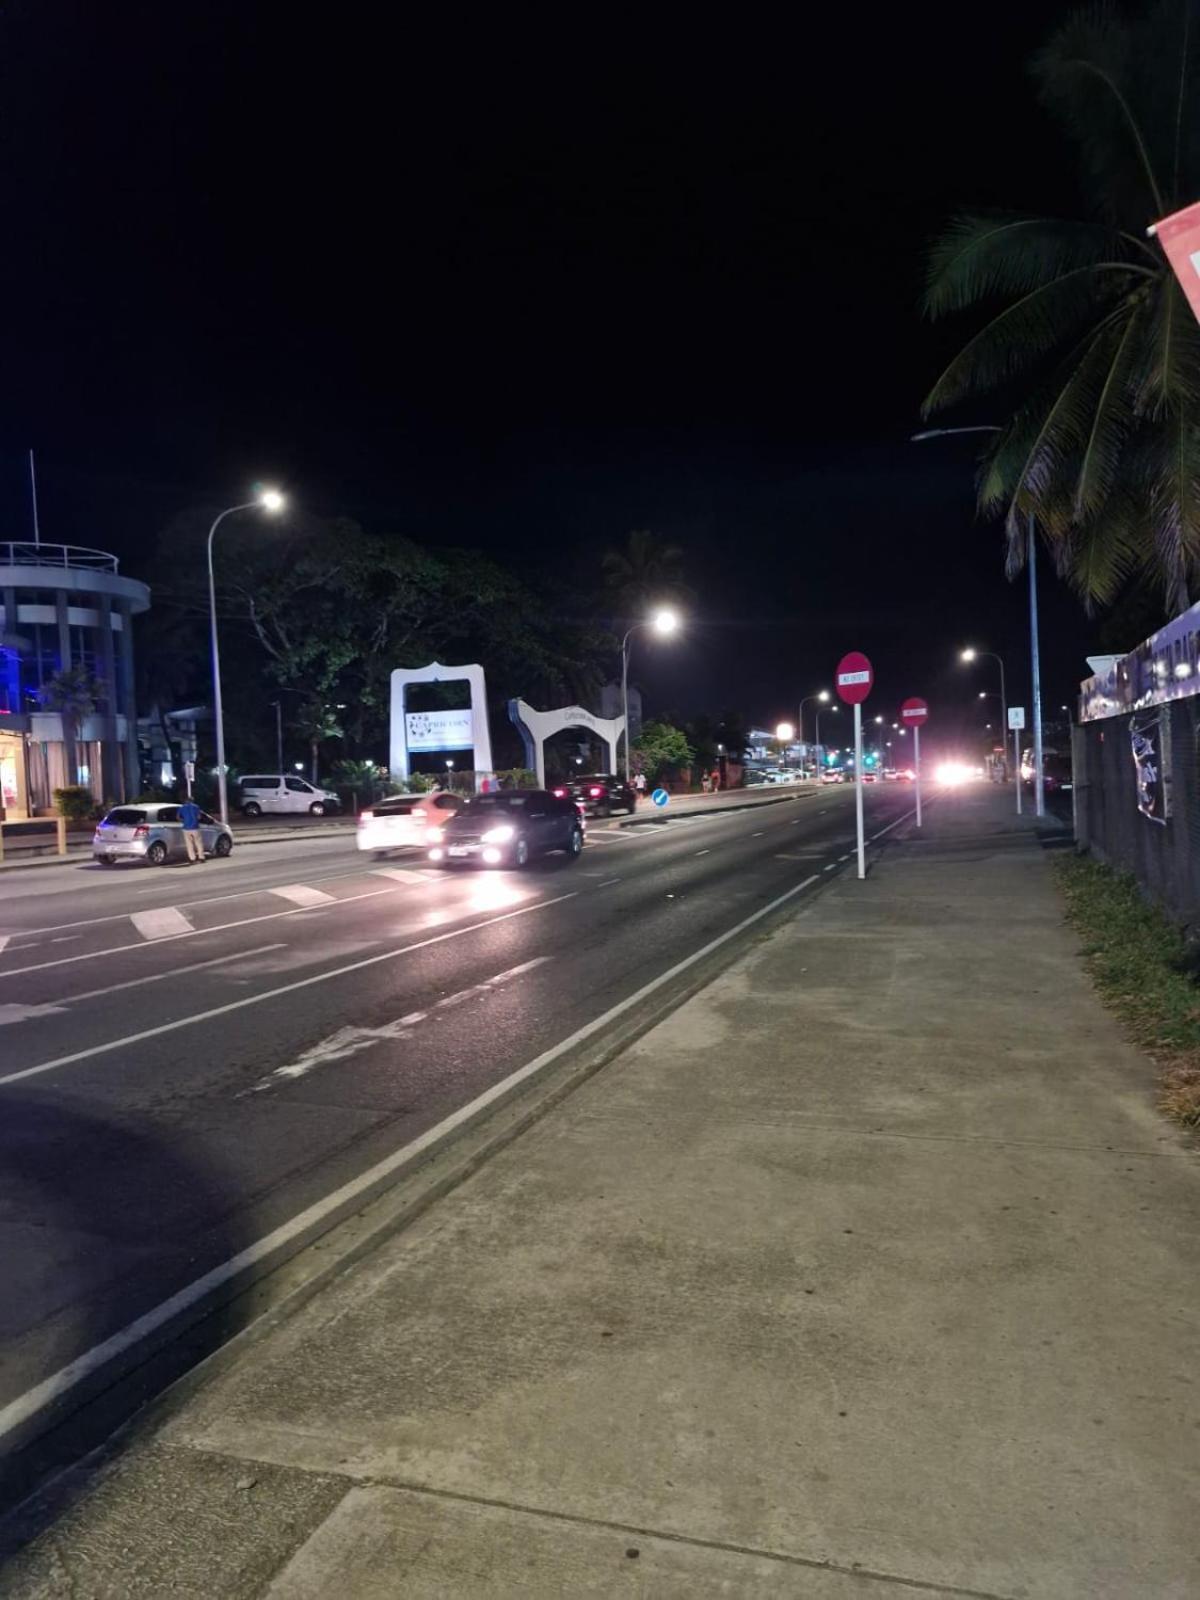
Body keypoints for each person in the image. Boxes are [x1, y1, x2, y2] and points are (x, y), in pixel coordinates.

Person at [179, 796, 205, 863]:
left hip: (186, 828)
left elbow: (178, 817)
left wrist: (184, 820)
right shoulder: (196, 807)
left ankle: (192, 859)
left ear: (186, 800)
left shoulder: (182, 807)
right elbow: (199, 817)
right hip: (195, 827)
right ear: (192, 800)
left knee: (189, 844)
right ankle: (201, 858)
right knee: (198, 843)